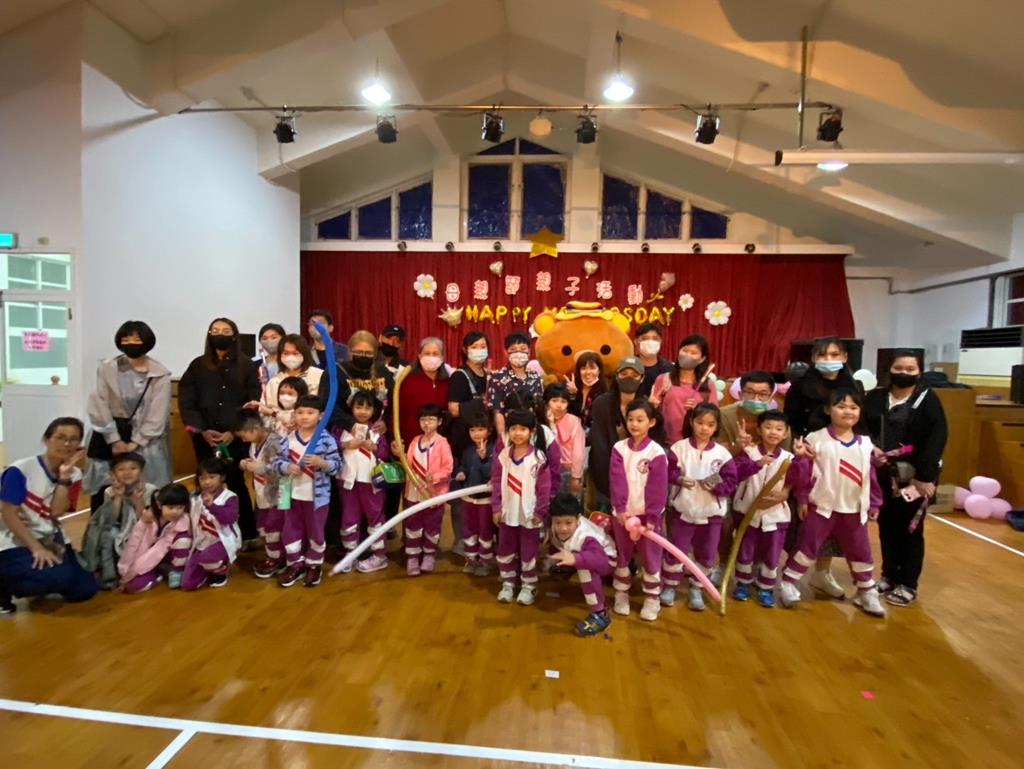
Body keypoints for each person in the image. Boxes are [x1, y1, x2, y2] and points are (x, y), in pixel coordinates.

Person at [780, 389, 886, 617]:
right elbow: (804, 473)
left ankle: (866, 590)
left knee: (861, 551)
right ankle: (788, 582)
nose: (848, 411)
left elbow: (871, 477)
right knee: (806, 546)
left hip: (855, 510)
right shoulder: (815, 439)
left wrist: (875, 503)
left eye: (854, 407)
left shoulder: (866, 444)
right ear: (828, 410)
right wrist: (802, 498)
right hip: (822, 507)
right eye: (841, 406)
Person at [863, 350, 948, 607]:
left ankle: (908, 583)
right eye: (899, 368)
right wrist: (871, 449)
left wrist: (925, 476)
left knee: (910, 529)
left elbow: (936, 439)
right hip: (881, 472)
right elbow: (862, 428)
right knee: (886, 525)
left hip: (914, 475)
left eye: (910, 369)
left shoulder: (928, 400)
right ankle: (889, 575)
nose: (904, 373)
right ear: (889, 370)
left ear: (919, 372)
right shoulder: (875, 397)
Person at [783, 337, 862, 599]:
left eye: (834, 354)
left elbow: (859, 423)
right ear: (813, 359)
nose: (829, 360)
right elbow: (791, 422)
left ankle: (822, 572)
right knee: (807, 518)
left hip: (843, 458)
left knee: (836, 514)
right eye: (823, 355)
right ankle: (790, 575)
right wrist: (800, 450)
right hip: (809, 454)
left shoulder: (854, 386)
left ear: (845, 357)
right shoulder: (800, 387)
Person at [0, 418, 97, 608]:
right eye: (60, 437)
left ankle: (35, 578)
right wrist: (37, 548)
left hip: (49, 538)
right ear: (46, 440)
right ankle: (4, 584)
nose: (67, 444)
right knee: (60, 577)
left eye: (74, 439)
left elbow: (56, 512)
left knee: (85, 589)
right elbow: (8, 514)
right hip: (13, 541)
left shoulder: (74, 474)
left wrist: (64, 477)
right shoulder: (21, 469)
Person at [178, 317, 260, 542]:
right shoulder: (197, 365)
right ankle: (205, 529)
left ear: (234, 335)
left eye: (225, 330)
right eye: (215, 330)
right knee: (206, 481)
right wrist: (202, 430)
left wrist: (234, 431)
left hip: (236, 438)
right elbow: (187, 401)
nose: (220, 334)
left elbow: (253, 402)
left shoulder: (247, 366)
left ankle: (246, 534)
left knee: (236, 482)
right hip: (205, 437)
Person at [84, 320, 172, 511]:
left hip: (146, 440)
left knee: (144, 491)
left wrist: (137, 442)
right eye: (126, 339)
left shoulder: (159, 373)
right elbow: (99, 401)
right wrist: (114, 439)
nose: (131, 343)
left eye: (136, 339)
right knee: (105, 489)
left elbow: (158, 412)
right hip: (108, 435)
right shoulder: (107, 367)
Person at [663, 403, 738, 612]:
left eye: (710, 424)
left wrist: (717, 487)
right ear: (691, 422)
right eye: (700, 422)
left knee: (707, 553)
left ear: (716, 427)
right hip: (683, 512)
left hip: (711, 515)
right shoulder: (679, 448)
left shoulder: (723, 454)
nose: (704, 428)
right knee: (676, 551)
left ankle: (697, 587)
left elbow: (731, 482)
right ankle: (670, 586)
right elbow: (667, 472)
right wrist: (678, 479)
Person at [729, 411, 808, 608]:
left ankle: (766, 587)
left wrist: (800, 459)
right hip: (747, 511)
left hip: (775, 515)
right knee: (746, 550)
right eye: (768, 427)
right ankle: (743, 583)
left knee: (772, 553)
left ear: (786, 433)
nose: (773, 432)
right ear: (759, 429)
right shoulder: (749, 452)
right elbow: (736, 472)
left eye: (779, 429)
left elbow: (799, 481)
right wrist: (757, 464)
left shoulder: (789, 458)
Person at [271, 395, 342, 589]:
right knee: (290, 530)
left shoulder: (326, 440)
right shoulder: (288, 439)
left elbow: (337, 466)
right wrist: (286, 467)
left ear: (320, 416)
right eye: (300, 412)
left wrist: (322, 463)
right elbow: (276, 463)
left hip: (317, 498)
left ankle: (314, 565)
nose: (304, 416)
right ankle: (295, 564)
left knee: (316, 532)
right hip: (290, 495)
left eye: (310, 413)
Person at [609, 399, 671, 622]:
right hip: (622, 516)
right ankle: (621, 593)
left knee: (651, 557)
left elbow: (658, 488)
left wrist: (652, 517)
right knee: (623, 555)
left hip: (647, 518)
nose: (634, 424)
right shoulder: (619, 448)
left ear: (651, 422)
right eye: (630, 419)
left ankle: (652, 598)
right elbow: (617, 480)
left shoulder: (656, 452)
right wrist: (620, 509)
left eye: (640, 420)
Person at [491, 408, 553, 606]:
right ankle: (508, 583)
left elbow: (544, 489)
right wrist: (496, 507)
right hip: (507, 513)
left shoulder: (539, 458)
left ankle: (528, 585)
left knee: (529, 551)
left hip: (529, 515)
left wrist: (540, 512)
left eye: (523, 429)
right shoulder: (503, 456)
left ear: (531, 432)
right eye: (513, 429)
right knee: (505, 549)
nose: (517, 433)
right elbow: (495, 482)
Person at [589, 357, 666, 509]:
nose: (628, 378)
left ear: (642, 378)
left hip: (639, 477)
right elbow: (599, 447)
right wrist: (609, 484)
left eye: (634, 375)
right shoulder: (602, 403)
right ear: (617, 375)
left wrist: (654, 411)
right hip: (606, 475)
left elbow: (655, 442)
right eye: (624, 374)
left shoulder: (647, 405)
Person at [80, 452, 156, 590]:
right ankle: (108, 574)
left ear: (141, 471)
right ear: (113, 473)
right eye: (121, 469)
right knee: (107, 535)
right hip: (121, 528)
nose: (127, 472)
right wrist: (118, 497)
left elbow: (144, 520)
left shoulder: (150, 489)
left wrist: (138, 500)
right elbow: (111, 519)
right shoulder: (109, 491)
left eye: (133, 468)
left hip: (143, 528)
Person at [548, 492, 617, 636]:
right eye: (557, 522)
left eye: (568, 523)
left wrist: (576, 559)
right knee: (577, 560)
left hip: (607, 559)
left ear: (578, 519)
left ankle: (600, 614)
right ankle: (569, 566)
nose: (563, 528)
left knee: (585, 570)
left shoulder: (586, 537)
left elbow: (600, 559)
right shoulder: (556, 527)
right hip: (586, 554)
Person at [338, 392, 391, 574]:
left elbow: (385, 453)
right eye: (358, 407)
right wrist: (346, 445)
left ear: (374, 410)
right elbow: (332, 446)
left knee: (375, 516)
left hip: (372, 482)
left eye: (368, 408)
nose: (362, 411)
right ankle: (350, 553)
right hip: (348, 481)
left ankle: (379, 555)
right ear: (351, 408)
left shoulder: (377, 429)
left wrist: (374, 447)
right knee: (349, 517)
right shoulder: (342, 428)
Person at [447, 331, 490, 555]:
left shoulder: (489, 375)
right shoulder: (459, 376)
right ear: (465, 349)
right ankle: (462, 542)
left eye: (483, 346)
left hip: (485, 443)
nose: (479, 350)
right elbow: (454, 409)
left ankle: (483, 542)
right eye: (474, 346)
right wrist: (481, 404)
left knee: (483, 493)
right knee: (462, 493)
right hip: (464, 442)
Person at [402, 404, 453, 576]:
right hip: (414, 492)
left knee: (432, 525)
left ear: (439, 422)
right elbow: (408, 464)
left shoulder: (442, 443)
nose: (426, 423)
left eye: (431, 419)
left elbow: (448, 468)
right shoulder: (415, 441)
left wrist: (435, 477)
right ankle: (412, 557)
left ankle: (429, 555)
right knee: (413, 525)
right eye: (423, 419)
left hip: (433, 494)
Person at [236, 410, 285, 579]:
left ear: (256, 428)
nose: (243, 440)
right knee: (265, 526)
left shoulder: (274, 442)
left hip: (278, 494)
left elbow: (282, 470)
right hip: (263, 493)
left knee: (275, 528)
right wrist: (246, 464)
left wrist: (259, 468)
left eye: (244, 436)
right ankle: (272, 557)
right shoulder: (255, 443)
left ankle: (278, 561)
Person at [118, 483, 192, 593]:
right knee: (132, 584)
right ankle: (159, 572)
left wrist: (134, 571)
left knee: (183, 540)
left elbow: (159, 550)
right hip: (151, 558)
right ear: (159, 505)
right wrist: (126, 568)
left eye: (180, 507)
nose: (175, 512)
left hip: (166, 559)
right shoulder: (149, 518)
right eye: (170, 507)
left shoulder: (183, 522)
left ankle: (175, 572)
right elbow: (134, 542)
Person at [182, 457, 241, 591]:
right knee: (188, 584)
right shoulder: (195, 497)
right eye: (202, 478)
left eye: (212, 477)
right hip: (202, 542)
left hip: (223, 541)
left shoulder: (230, 497)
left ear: (222, 477)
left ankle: (220, 569)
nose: (207, 482)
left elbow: (229, 518)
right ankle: (208, 567)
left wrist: (212, 506)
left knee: (206, 557)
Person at [649, 334, 718, 444]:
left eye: (693, 353)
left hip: (695, 443)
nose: (687, 355)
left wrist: (699, 409)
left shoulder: (708, 385)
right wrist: (652, 405)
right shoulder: (664, 379)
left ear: (702, 359)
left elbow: (714, 416)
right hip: (666, 443)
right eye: (685, 350)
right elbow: (652, 412)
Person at [454, 412, 496, 576]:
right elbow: (464, 466)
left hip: (485, 500)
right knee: (469, 529)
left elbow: (491, 474)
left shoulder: (493, 450)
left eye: (480, 429)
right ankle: (471, 559)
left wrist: (484, 459)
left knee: (485, 530)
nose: (476, 433)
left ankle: (485, 561)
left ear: (489, 431)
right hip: (468, 498)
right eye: (472, 430)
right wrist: (461, 473)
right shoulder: (468, 450)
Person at [395, 338, 451, 452]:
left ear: (442, 357)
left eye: (435, 354)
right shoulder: (408, 380)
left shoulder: (447, 382)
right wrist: (395, 438)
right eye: (427, 353)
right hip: (411, 443)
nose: (431, 357)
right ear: (419, 356)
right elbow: (398, 412)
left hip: (440, 446)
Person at [484, 331, 543, 436]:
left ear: (529, 352)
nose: (518, 353)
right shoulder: (497, 378)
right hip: (510, 432)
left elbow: (539, 407)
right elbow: (497, 412)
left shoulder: (535, 377)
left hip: (532, 432)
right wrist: (503, 438)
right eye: (513, 350)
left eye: (523, 349)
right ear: (506, 352)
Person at [261, 334, 323, 415]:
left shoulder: (319, 375)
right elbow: (265, 409)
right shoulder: (274, 382)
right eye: (286, 353)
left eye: (295, 353)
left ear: (304, 354)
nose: (290, 357)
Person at [719, 371, 778, 455]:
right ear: (740, 395)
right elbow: (718, 456)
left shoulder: (779, 420)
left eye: (763, 394)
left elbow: (786, 457)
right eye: (750, 393)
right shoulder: (723, 415)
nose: (756, 399)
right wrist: (738, 446)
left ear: (771, 397)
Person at [545, 383, 584, 496]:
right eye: (554, 400)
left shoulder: (573, 421)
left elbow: (578, 451)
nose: (559, 405)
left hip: (567, 470)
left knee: (567, 502)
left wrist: (576, 476)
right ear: (547, 402)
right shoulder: (542, 421)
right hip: (546, 469)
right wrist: (551, 423)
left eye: (563, 401)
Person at [566, 351, 607, 431]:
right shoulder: (572, 385)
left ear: (599, 370)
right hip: (572, 432)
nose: (588, 372)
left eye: (592, 368)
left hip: (594, 434)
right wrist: (572, 394)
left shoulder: (604, 390)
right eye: (583, 368)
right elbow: (569, 413)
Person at [634, 322, 673, 398]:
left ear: (660, 341)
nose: (650, 342)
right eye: (645, 338)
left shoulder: (669, 369)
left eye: (655, 339)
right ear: (636, 341)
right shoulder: (628, 367)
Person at [254, 323, 286, 387]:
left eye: (274, 337)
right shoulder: (256, 363)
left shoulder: (289, 362)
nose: (269, 341)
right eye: (264, 338)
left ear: (283, 339)